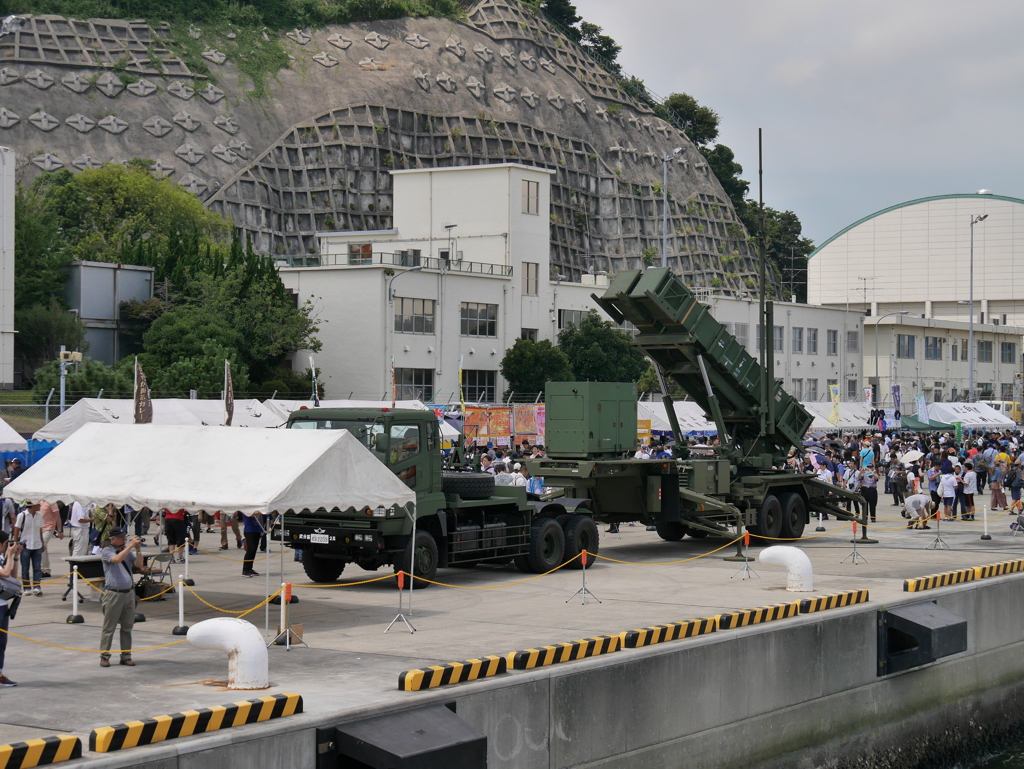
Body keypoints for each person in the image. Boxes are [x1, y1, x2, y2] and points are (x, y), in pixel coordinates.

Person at [99, 527, 140, 667]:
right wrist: (129, 546)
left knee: (127, 627)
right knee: (109, 627)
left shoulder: (127, 552)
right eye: (121, 537)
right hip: (114, 593)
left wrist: (138, 549)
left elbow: (139, 565)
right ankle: (104, 656)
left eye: (125, 537)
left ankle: (126, 655)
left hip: (128, 593)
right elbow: (116, 559)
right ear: (113, 539)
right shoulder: (106, 551)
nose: (124, 539)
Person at [0, 531, 21, 685]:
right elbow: (5, 573)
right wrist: (9, 555)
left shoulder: (2, 558)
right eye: (7, 543)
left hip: (3, 605)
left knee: (2, 642)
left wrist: (15, 557)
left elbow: (12, 576)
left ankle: (0, 674)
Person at [13, 502, 44, 596]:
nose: (40, 506)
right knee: (25, 569)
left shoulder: (39, 515)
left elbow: (40, 529)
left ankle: (37, 587)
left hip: (37, 544)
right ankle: (26, 588)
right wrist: (16, 543)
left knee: (37, 568)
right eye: (38, 505)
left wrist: (42, 542)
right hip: (25, 545)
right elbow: (17, 529)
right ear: (33, 505)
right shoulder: (22, 515)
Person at [38, 500, 62, 579]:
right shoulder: (40, 501)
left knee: (42, 545)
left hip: (49, 527)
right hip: (40, 528)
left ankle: (43, 569)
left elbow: (57, 516)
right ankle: (46, 569)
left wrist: (59, 530)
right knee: (43, 548)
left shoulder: (52, 503)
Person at [242, 512, 264, 577]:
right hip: (249, 530)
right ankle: (245, 570)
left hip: (257, 530)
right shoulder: (247, 509)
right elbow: (250, 514)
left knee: (254, 551)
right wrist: (262, 510)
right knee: (250, 550)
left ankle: (250, 568)